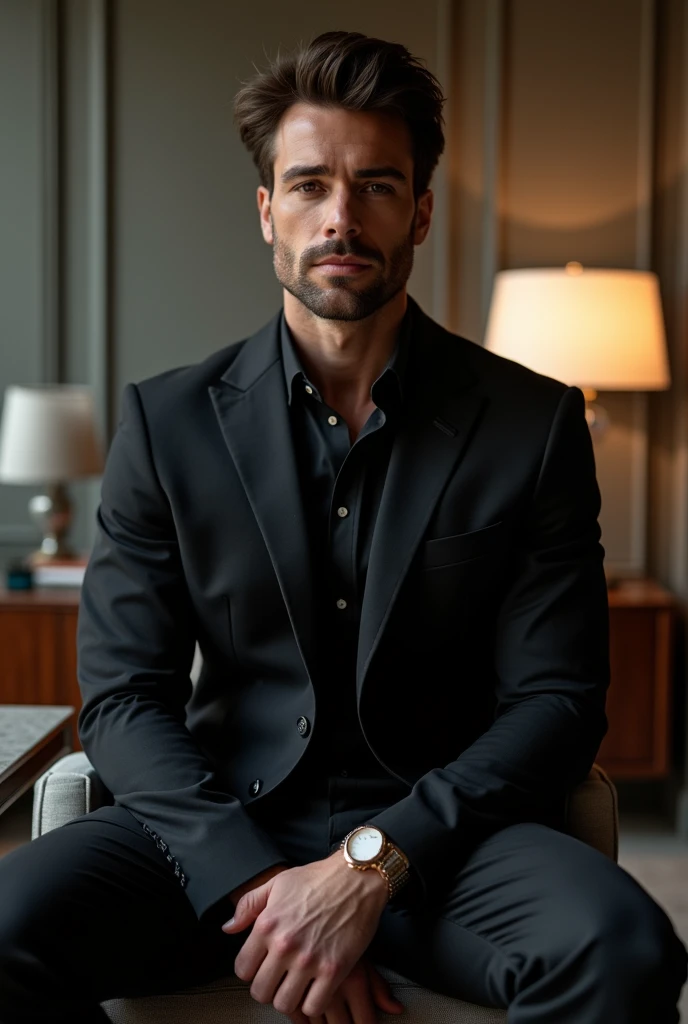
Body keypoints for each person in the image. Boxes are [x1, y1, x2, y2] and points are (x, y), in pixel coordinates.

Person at [0, 29, 686, 1024]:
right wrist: (262, 894)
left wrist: (370, 866)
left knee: (626, 950)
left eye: (374, 185)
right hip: (221, 829)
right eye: (311, 183)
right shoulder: (168, 422)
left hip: (446, 841)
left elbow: (556, 699)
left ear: (420, 210)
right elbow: (124, 698)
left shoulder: (530, 425)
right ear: (266, 209)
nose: (341, 216)